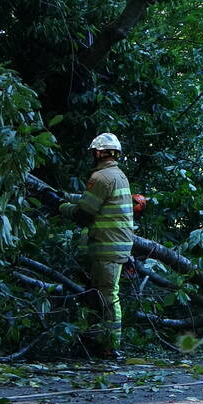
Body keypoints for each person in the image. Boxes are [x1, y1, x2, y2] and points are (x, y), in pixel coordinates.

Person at [59, 133, 134, 357]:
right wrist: (66, 196)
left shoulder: (101, 177)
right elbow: (92, 198)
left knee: (108, 297)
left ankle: (111, 347)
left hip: (107, 246)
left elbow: (84, 213)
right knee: (98, 295)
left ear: (99, 153)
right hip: (116, 245)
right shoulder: (117, 175)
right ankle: (97, 340)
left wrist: (59, 206)